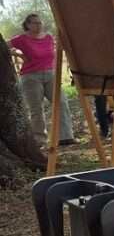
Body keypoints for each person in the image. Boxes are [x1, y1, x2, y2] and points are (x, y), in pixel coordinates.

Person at [9, 14, 75, 146]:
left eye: (40, 23)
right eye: (35, 23)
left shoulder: (49, 37)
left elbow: (53, 55)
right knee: (36, 109)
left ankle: (66, 137)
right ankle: (40, 139)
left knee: (61, 102)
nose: (38, 25)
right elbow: (4, 46)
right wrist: (19, 54)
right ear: (27, 25)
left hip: (50, 75)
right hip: (31, 77)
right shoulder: (22, 39)